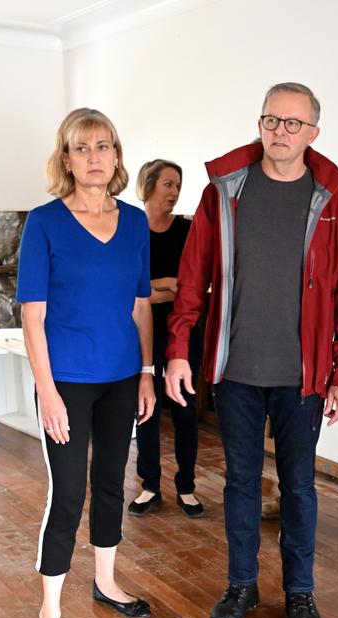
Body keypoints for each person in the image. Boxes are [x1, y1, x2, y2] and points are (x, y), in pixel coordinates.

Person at [165, 82, 338, 618]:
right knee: (241, 484)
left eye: (292, 123)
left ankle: (299, 593)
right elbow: (191, 278)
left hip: (304, 377)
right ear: (260, 124)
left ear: (313, 133)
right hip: (236, 372)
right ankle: (242, 585)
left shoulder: (333, 203)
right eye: (271, 120)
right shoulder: (224, 192)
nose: (280, 132)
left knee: (300, 486)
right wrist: (178, 349)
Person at [15, 107, 157, 618]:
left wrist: (146, 370)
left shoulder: (137, 222)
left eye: (104, 146)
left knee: (110, 483)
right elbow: (32, 315)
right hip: (67, 381)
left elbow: (141, 303)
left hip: (122, 376)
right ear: (66, 159)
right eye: (82, 148)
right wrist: (46, 392)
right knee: (67, 492)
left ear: (117, 157)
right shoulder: (44, 222)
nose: (94, 157)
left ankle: (106, 582)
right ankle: (49, 612)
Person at [129, 159, 204, 518]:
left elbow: (191, 288)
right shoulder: (131, 229)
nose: (174, 192)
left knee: (185, 410)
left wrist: (153, 288)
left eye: (177, 185)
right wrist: (164, 286)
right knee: (147, 408)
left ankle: (187, 486)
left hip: (183, 334)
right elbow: (130, 291)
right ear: (149, 186)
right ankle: (149, 485)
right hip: (142, 332)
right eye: (168, 184)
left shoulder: (186, 232)